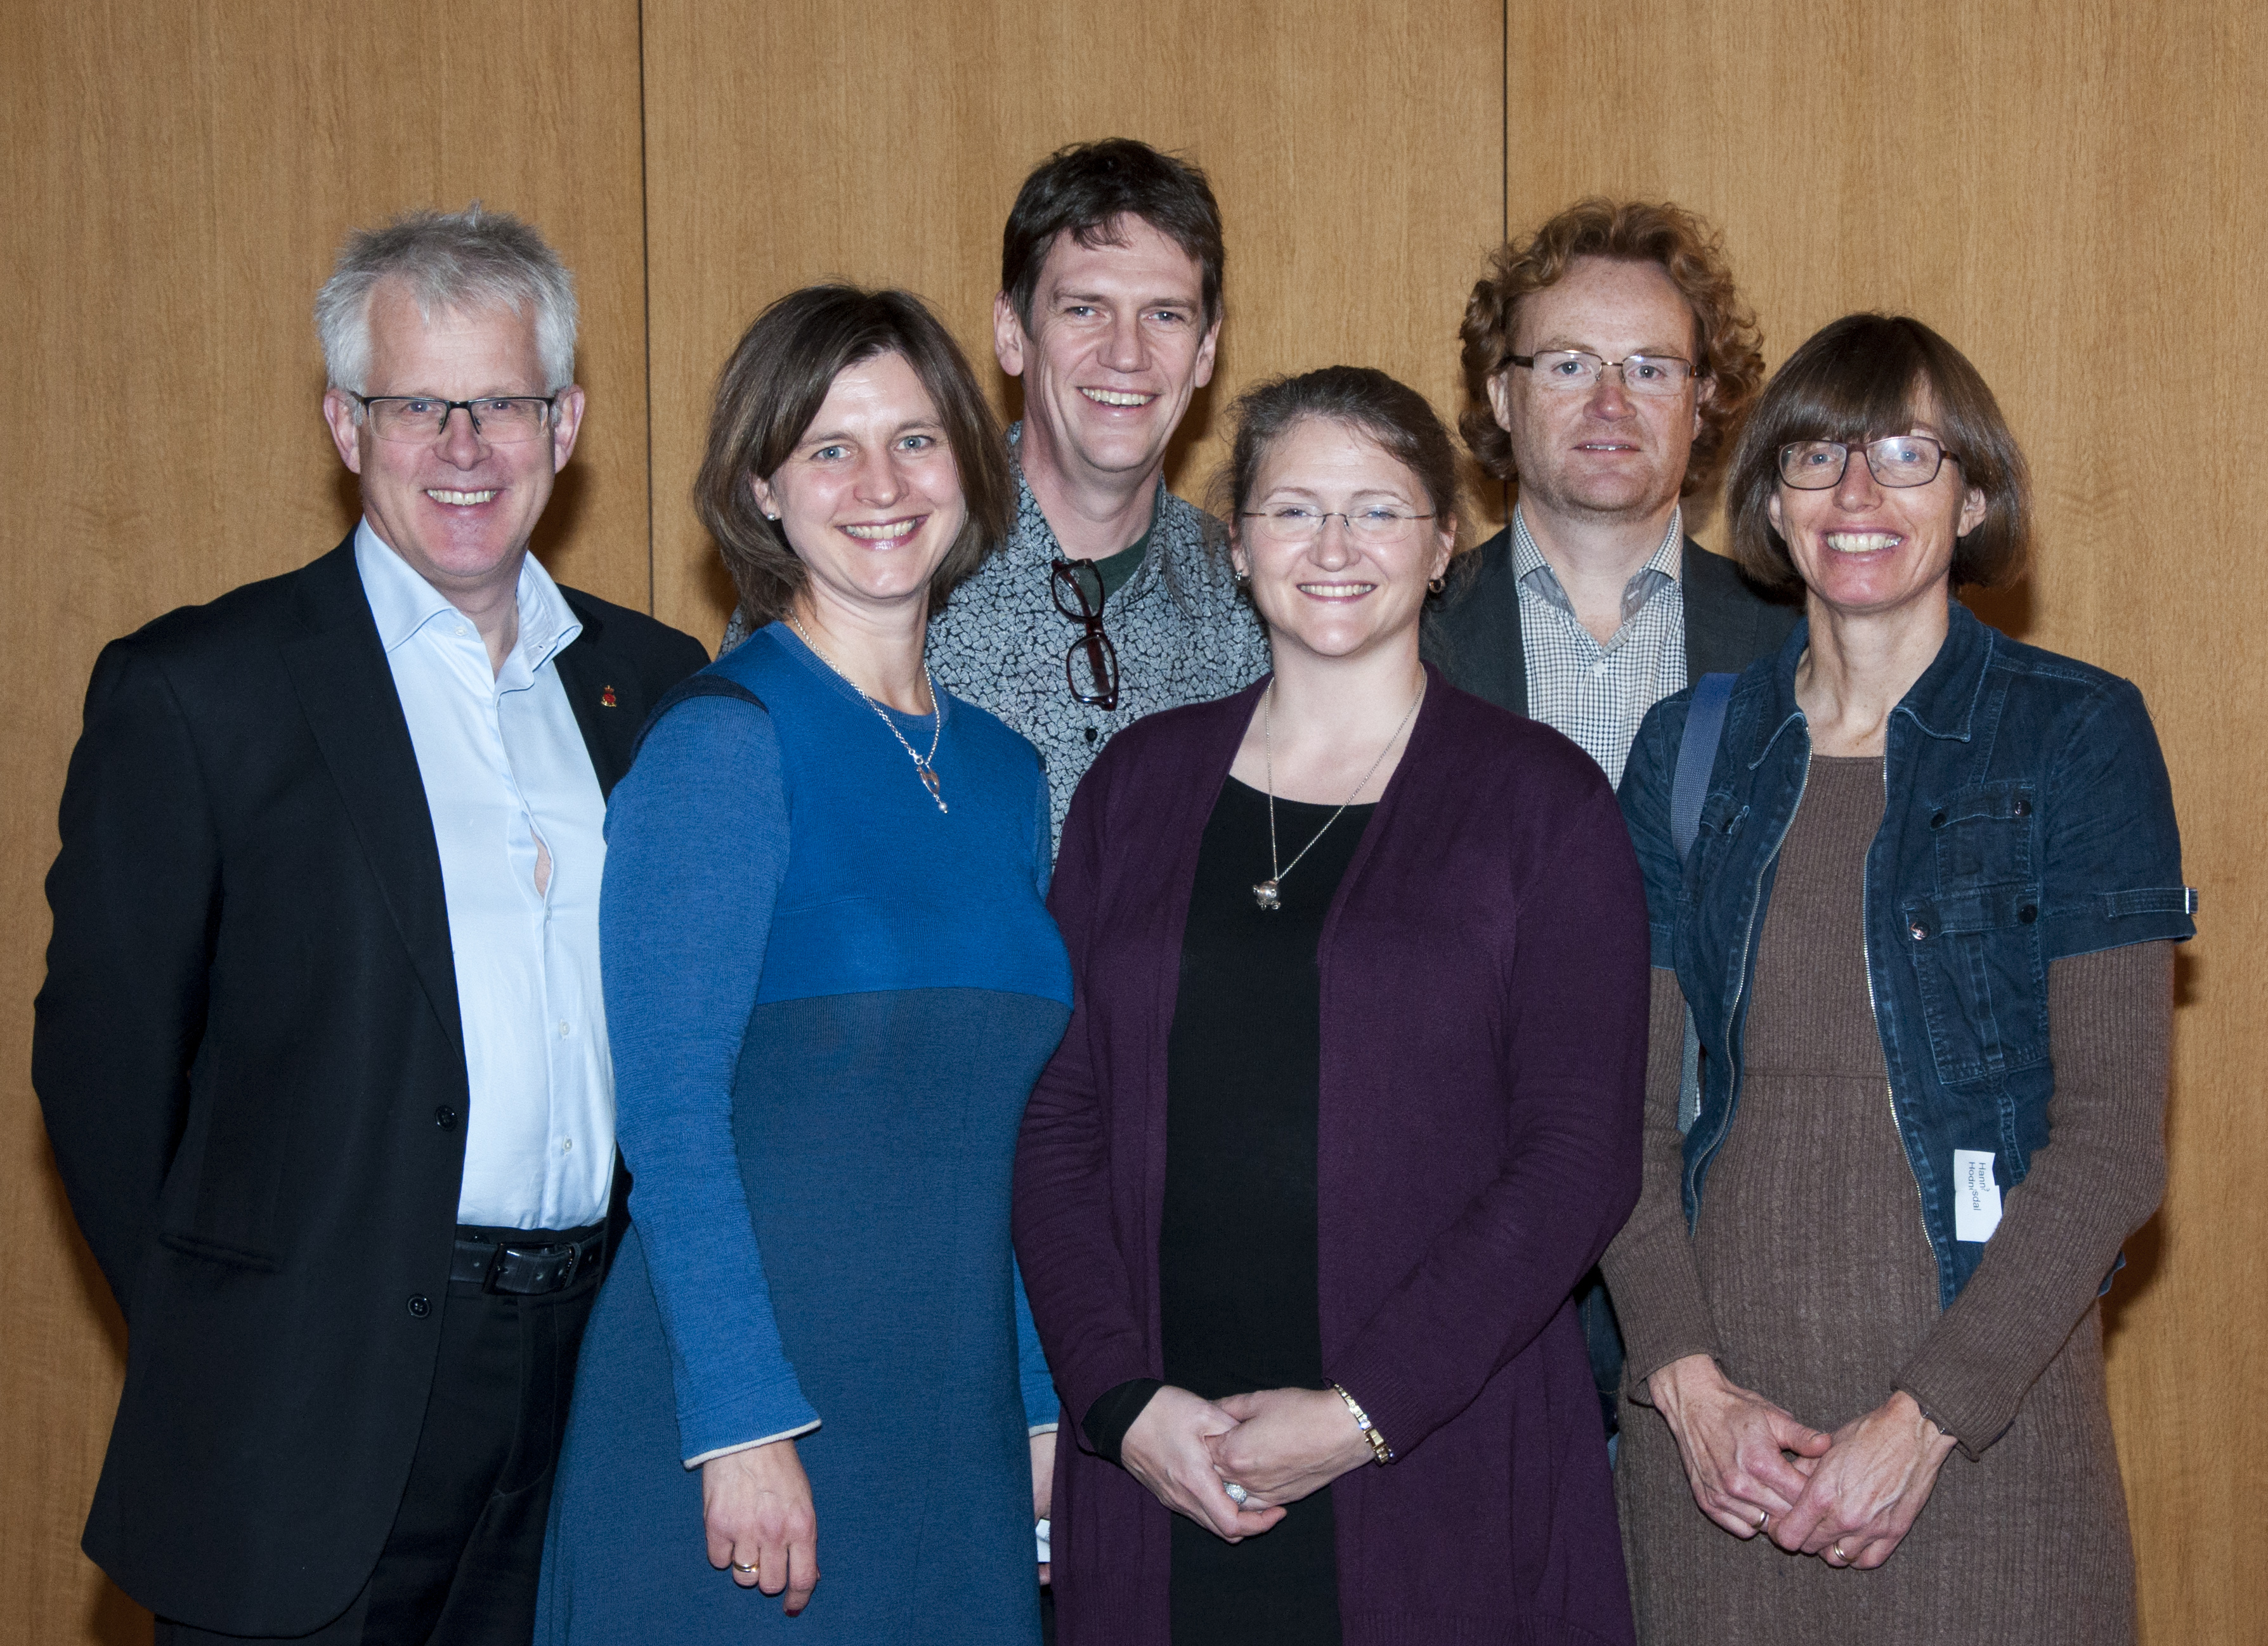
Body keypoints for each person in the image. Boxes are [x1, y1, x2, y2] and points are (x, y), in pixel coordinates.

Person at [32, 205, 709, 1644]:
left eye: (503, 402)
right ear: (346, 422)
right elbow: (102, 1072)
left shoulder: (650, 686)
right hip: (305, 1409)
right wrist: (236, 1341)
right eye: (418, 403)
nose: (463, 445)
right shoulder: (199, 692)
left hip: (586, 1385)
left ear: (565, 419)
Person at [1014, 366, 1648, 1645]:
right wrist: (1118, 1397)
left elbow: (1577, 1160)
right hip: (1159, 1463)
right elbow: (1055, 1113)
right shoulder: (1135, 786)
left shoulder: (1544, 802)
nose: (1337, 546)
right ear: (1239, 544)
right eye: (1295, 509)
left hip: (1435, 1456)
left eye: (1380, 510)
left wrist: (1360, 1410)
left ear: (1442, 546)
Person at [1603, 313, 2196, 1644]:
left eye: (1906, 454)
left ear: (1973, 493)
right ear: (1768, 500)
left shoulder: (2079, 734)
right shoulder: (1687, 751)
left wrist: (1921, 1422)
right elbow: (1615, 1119)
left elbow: (2109, 1143)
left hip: (1987, 1437)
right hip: (1717, 1463)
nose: (1856, 492)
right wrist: (1690, 1391)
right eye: (1814, 456)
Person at [537, 285, 1071, 1644]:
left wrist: (1037, 1396)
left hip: (949, 1433)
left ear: (972, 461)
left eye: (915, 439)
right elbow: (667, 1117)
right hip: (744, 1424)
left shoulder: (1008, 775)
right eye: (829, 448)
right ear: (763, 485)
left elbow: (1003, 1136)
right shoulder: (722, 744)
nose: (879, 484)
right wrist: (741, 1419)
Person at [1429, 197, 1799, 1442]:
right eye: (1568, 364)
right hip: (1458, 1260)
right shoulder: (1390, 635)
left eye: (1651, 367)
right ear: (1499, 390)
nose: (1608, 402)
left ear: (1708, 399)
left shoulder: (1803, 644)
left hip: (1739, 1263)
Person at [722, 138, 1268, 841]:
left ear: (1207, 351)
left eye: (1165, 314)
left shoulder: (1252, 598)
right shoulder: (878, 551)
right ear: (1012, 333)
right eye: (1085, 310)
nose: (1126, 353)